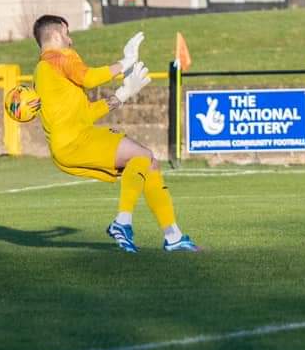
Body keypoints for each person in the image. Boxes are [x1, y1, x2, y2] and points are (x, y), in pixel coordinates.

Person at [32, 14, 199, 253]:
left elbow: (86, 114)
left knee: (149, 162)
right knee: (141, 155)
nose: (70, 40)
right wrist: (125, 62)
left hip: (68, 147)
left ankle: (173, 235)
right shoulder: (59, 58)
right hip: (77, 143)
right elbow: (88, 78)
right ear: (58, 34)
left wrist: (122, 95)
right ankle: (122, 222)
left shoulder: (42, 71)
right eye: (67, 34)